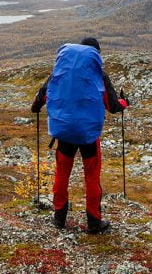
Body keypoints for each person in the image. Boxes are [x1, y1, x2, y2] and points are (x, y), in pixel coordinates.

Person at [31, 37, 128, 234]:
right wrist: (125, 102)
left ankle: (59, 218)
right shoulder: (99, 75)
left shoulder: (60, 71)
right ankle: (93, 222)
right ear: (96, 55)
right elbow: (113, 107)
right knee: (91, 177)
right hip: (88, 136)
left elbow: (41, 97)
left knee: (62, 174)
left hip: (65, 133)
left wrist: (35, 108)